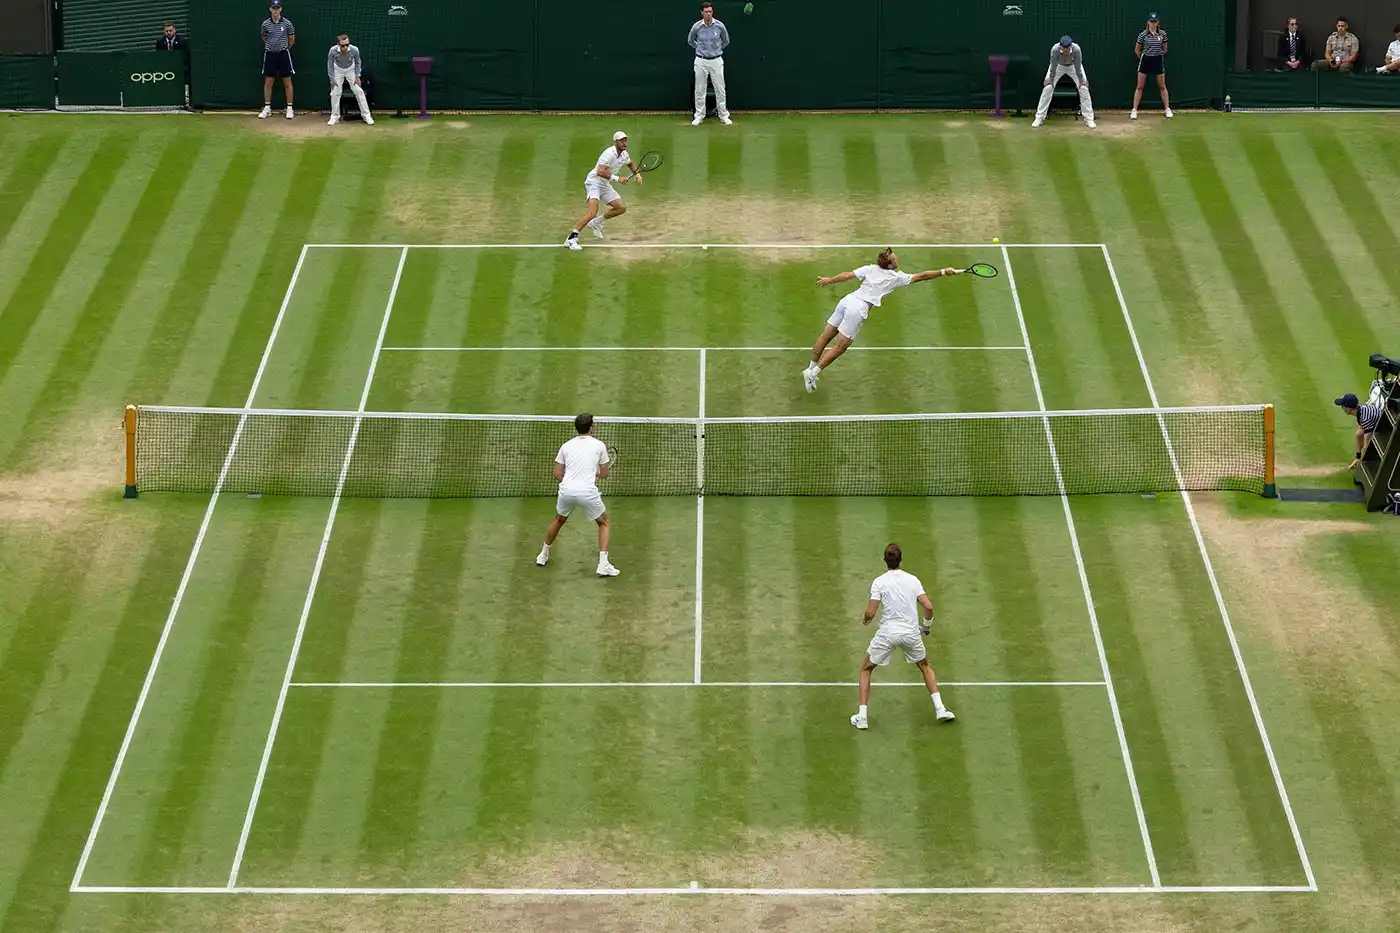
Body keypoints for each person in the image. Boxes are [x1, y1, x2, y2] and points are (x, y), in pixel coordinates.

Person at [803, 249, 962, 393]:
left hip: (846, 301)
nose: (897, 259)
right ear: (890, 264)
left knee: (825, 337)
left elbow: (847, 275)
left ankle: (810, 369)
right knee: (840, 347)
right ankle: (813, 373)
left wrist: (829, 280)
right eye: (895, 258)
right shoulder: (896, 278)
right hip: (857, 309)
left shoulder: (870, 268)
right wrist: (943, 271)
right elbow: (923, 276)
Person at [851, 544, 955, 731]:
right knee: (924, 666)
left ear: (885, 560)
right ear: (901, 560)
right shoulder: (913, 580)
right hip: (911, 634)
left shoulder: (879, 582)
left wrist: (866, 620)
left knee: (866, 669)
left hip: (887, 634)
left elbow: (871, 612)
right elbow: (928, 606)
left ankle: (862, 718)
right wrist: (927, 626)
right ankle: (940, 709)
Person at [537, 413, 619, 577]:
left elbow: (557, 473)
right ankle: (603, 565)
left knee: (559, 520)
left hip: (566, 490)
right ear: (591, 428)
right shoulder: (599, 445)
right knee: (603, 522)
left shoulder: (566, 446)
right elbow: (604, 474)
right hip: (587, 492)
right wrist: (595, 472)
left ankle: (543, 555)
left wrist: (572, 481)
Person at [564, 131, 644, 251]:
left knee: (621, 208)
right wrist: (618, 179)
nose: (624, 143)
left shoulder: (624, 154)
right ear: (615, 142)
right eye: (621, 141)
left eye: (625, 140)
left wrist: (637, 174)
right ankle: (571, 239)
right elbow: (600, 171)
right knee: (592, 212)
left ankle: (596, 223)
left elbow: (631, 164)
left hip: (604, 184)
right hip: (594, 183)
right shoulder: (609, 154)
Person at [1032, 35, 1096, 129]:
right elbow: (1053, 66)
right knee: (1047, 88)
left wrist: (1081, 80)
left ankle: (1089, 119)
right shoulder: (1055, 49)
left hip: (1073, 66)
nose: (1065, 50)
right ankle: (1039, 118)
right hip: (1058, 66)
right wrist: (1051, 79)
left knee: (1084, 88)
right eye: (1063, 48)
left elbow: (1078, 66)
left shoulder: (1076, 49)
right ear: (1060, 46)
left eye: (1067, 48)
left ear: (1070, 46)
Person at [688, 1, 732, 126]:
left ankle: (723, 115)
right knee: (699, 89)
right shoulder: (696, 27)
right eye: (706, 12)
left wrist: (716, 50)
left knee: (720, 89)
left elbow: (726, 41)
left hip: (716, 60)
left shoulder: (719, 26)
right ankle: (699, 116)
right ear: (702, 13)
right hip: (701, 60)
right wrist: (700, 49)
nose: (709, 14)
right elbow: (691, 41)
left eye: (710, 11)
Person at [259, 1, 296, 119]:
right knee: (268, 82)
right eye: (273, 8)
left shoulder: (287, 23)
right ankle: (267, 108)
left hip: (283, 55)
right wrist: (271, 46)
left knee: (287, 82)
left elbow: (291, 39)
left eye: (277, 8)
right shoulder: (265, 24)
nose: (275, 11)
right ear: (270, 9)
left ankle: (289, 108)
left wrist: (283, 48)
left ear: (280, 9)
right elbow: (264, 37)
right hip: (270, 55)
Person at [1131, 13, 1172, 120]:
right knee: (1140, 86)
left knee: (1162, 86)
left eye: (1155, 22)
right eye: (1151, 21)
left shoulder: (1163, 34)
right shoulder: (1143, 35)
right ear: (1148, 22)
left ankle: (1167, 109)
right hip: (1145, 61)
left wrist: (1157, 55)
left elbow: (1165, 49)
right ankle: (1134, 110)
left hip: (1157, 61)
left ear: (1158, 23)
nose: (1153, 24)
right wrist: (1144, 57)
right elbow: (1137, 50)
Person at [327, 33, 374, 126]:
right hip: (338, 70)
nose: (345, 47)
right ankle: (334, 117)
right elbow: (330, 65)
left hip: (350, 69)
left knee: (359, 91)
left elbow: (358, 62)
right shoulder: (332, 50)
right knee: (335, 92)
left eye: (347, 45)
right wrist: (332, 79)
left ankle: (366, 116)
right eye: (343, 45)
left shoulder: (354, 50)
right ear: (338, 44)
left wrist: (357, 76)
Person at [1335, 392, 1381, 470]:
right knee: (1359, 433)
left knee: (1367, 446)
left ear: (1348, 409)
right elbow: (1359, 432)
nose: (1341, 408)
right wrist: (1358, 457)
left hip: (1385, 430)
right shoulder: (1360, 410)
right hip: (1375, 425)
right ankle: (1358, 459)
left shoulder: (1365, 418)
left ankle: (1368, 464)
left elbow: (1367, 442)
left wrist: (1363, 460)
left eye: (1342, 406)